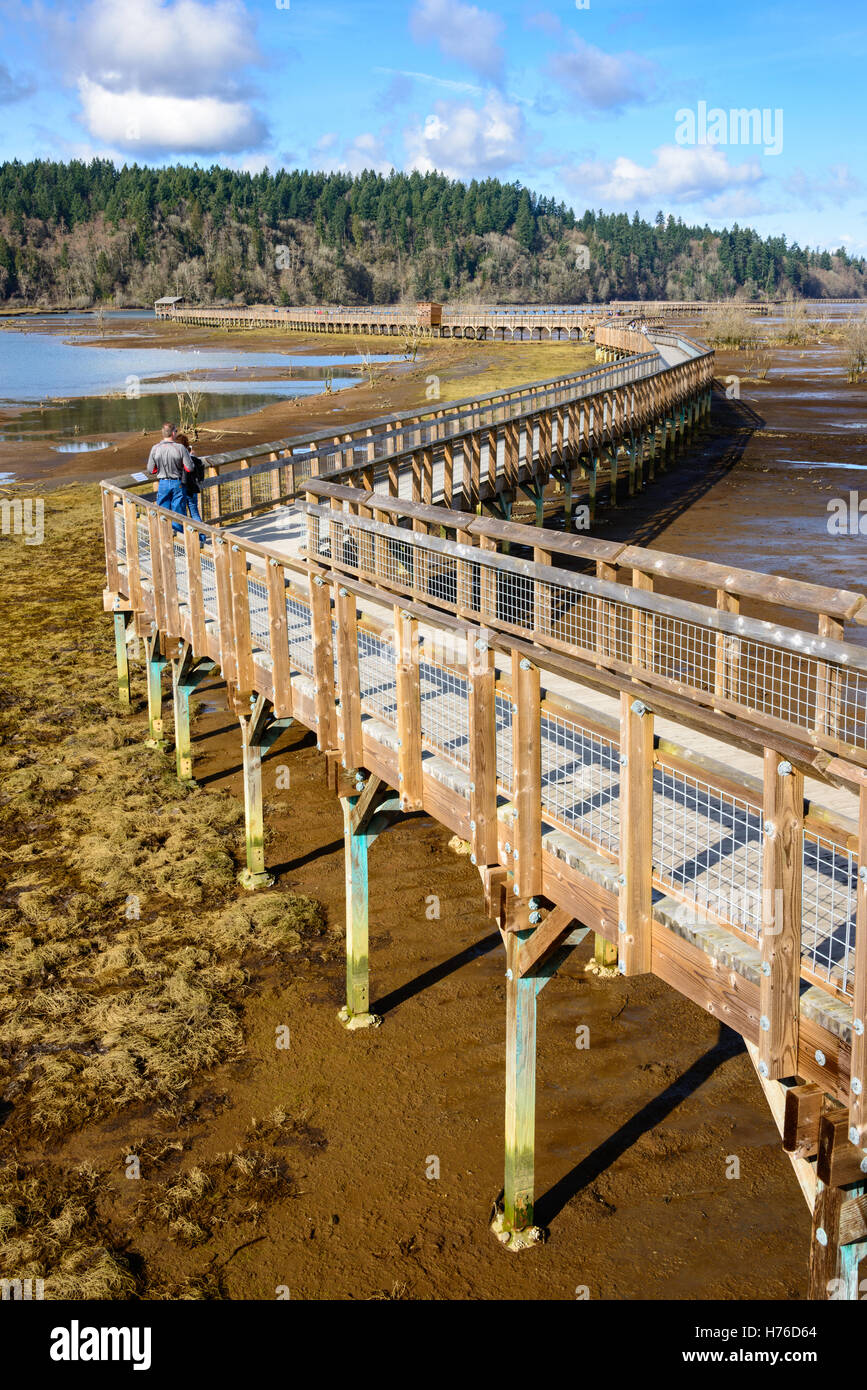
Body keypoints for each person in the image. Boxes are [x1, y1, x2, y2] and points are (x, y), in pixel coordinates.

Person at [146, 424, 195, 532]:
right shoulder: (180, 448)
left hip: (163, 483)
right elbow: (189, 468)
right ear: (173, 433)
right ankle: (179, 544)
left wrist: (160, 470)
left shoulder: (155, 448)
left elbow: (150, 470)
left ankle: (165, 538)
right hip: (177, 483)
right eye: (176, 431)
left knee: (163, 513)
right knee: (178, 514)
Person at [175, 432, 204, 524]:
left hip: (181, 487)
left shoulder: (176, 457)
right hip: (192, 488)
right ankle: (201, 536)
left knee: (181, 514)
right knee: (195, 513)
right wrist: (192, 455)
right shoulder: (193, 458)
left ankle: (185, 536)